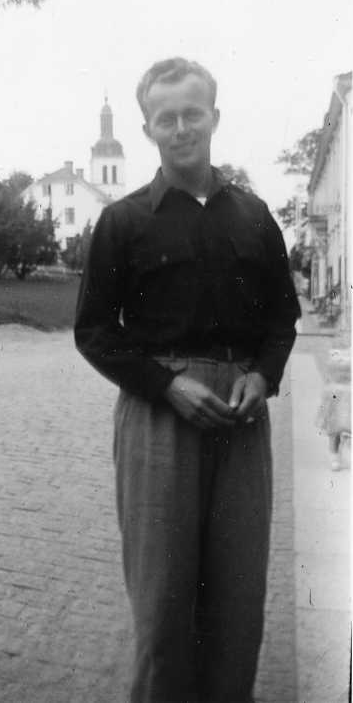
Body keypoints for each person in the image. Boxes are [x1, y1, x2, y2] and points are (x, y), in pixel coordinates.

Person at [74, 58, 301, 703]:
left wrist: (263, 375)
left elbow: (282, 319)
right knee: (164, 602)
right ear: (148, 128)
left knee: (238, 599)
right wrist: (167, 385)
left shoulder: (254, 215)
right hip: (159, 416)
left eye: (192, 114)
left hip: (240, 417)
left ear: (214, 118)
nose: (181, 128)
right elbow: (94, 331)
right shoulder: (123, 221)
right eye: (166, 118)